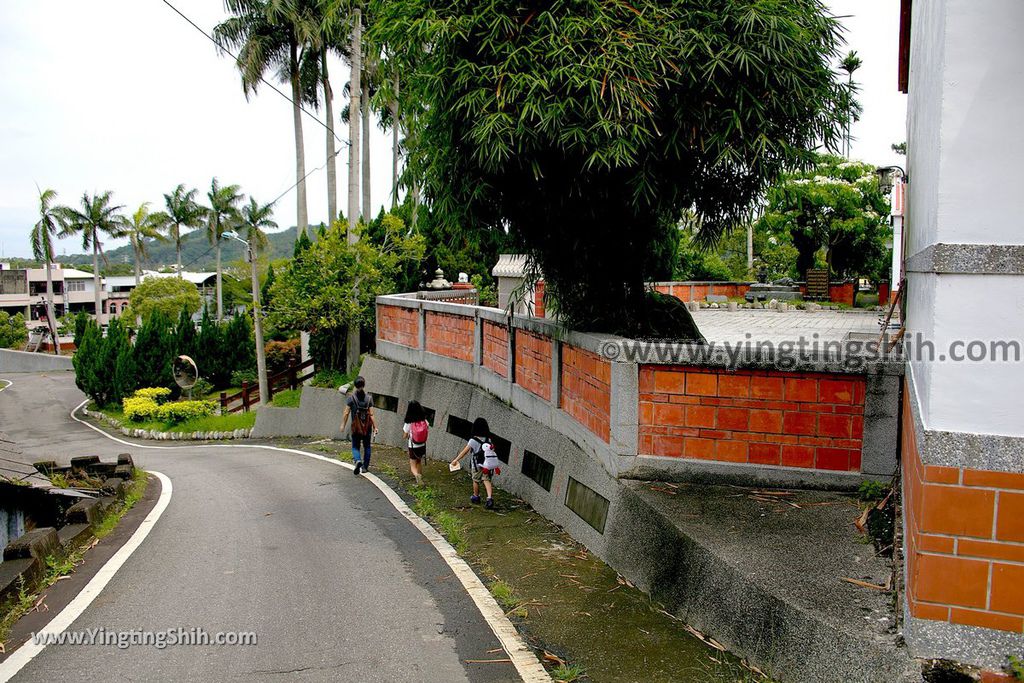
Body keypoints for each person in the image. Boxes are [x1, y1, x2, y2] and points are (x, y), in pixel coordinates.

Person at [450, 417, 497, 509]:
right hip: (487, 465)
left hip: (476, 465)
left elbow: (465, 452)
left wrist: (456, 459)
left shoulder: (472, 441)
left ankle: (476, 496)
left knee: (476, 480)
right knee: (486, 480)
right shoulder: (489, 439)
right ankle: (489, 498)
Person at [340, 376, 377, 475]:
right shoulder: (369, 399)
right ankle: (364, 468)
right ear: (364, 385)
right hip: (367, 428)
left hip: (356, 427)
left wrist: (343, 425)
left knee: (355, 446)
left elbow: (346, 413)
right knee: (367, 446)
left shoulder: (351, 398)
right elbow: (372, 414)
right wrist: (375, 427)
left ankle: (357, 460)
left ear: (355, 386)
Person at [402, 400, 430, 486]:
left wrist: (407, 436)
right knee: (419, 462)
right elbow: (427, 427)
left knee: (412, 465)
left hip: (413, 446)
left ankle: (417, 476)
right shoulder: (424, 420)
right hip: (422, 445)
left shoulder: (409, 421)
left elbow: (405, 435)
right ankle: (420, 479)